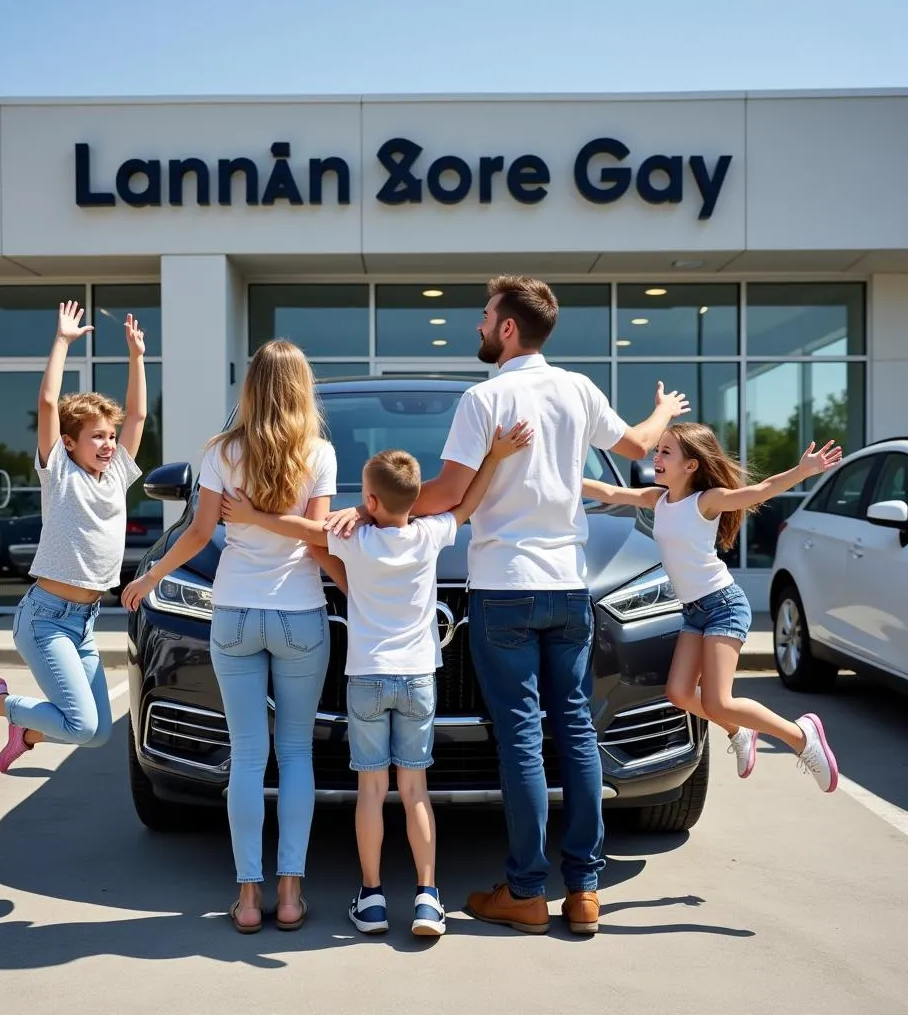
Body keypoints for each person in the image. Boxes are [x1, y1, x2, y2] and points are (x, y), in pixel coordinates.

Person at [330, 275, 691, 936]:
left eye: (485, 315)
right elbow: (638, 447)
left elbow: (445, 493)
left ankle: (526, 892)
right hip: (567, 584)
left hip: (503, 587)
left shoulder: (486, 398)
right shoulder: (578, 390)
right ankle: (584, 892)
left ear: (507, 329)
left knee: (523, 739)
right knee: (576, 731)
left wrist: (369, 508)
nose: (477, 325)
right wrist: (665, 411)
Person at [221, 423, 533, 937]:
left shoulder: (355, 540)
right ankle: (429, 897)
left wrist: (255, 517)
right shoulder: (430, 535)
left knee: (371, 791)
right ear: (414, 497)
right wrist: (494, 456)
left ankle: (370, 898)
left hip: (366, 678)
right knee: (415, 790)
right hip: (418, 679)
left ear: (367, 499)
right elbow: (466, 504)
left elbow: (306, 534)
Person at [120, 340, 346, 934]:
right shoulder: (318, 453)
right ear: (303, 389)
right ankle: (291, 895)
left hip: (236, 614)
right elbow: (319, 538)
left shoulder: (223, 452)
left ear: (250, 388)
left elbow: (197, 535)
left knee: (248, 757)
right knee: (295, 754)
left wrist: (149, 577)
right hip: (300, 615)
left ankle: (248, 900)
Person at [582, 423, 842, 793]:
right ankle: (740, 729)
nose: (656, 458)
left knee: (719, 701)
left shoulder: (707, 501)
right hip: (693, 611)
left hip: (723, 606)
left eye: (666, 452)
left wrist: (802, 471)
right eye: (657, 451)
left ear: (691, 465)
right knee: (680, 694)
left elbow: (760, 490)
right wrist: (555, 477)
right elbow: (607, 490)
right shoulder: (657, 499)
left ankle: (801, 736)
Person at [0, 301, 148, 772]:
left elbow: (138, 418)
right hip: (45, 620)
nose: (107, 444)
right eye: (96, 437)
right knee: (81, 725)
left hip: (83, 622)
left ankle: (27, 732)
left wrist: (137, 357)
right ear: (69, 442)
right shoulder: (58, 473)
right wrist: (61, 342)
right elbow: (46, 403)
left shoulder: (117, 475)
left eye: (109, 436)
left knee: (99, 732)